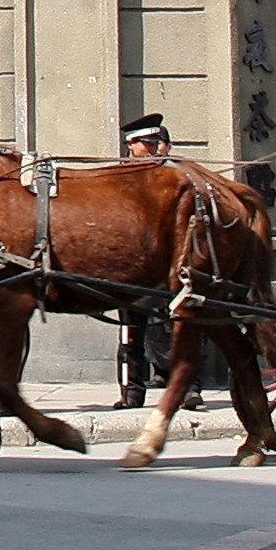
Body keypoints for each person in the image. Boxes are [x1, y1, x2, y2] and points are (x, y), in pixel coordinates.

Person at [111, 113, 175, 410]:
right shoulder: (119, 179)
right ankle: (132, 393)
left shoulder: (173, 176)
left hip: (170, 264)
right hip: (131, 265)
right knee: (130, 332)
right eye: (148, 145)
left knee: (175, 328)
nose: (156, 150)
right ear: (131, 145)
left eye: (158, 144)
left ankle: (186, 388)